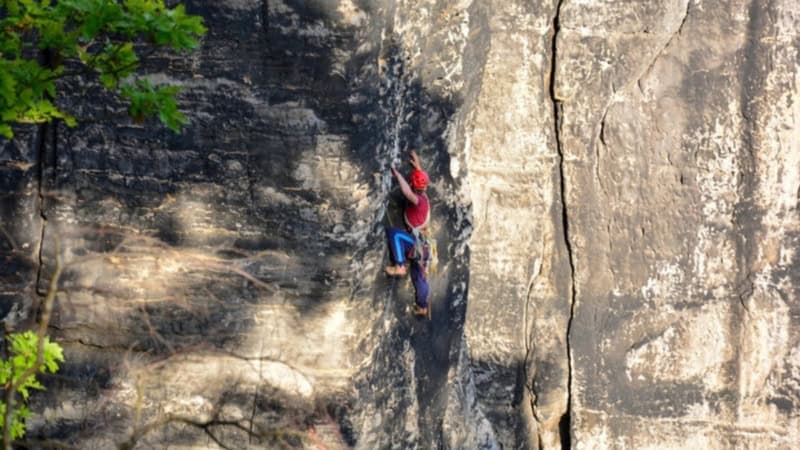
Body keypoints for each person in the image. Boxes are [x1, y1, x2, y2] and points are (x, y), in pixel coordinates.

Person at [385, 150, 431, 316]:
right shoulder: (424, 194)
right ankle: (422, 307)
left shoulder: (418, 200)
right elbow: (420, 183)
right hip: (423, 249)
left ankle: (399, 265)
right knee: (420, 278)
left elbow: (407, 192)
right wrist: (417, 166)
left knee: (394, 234)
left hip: (415, 243)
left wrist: (397, 174)